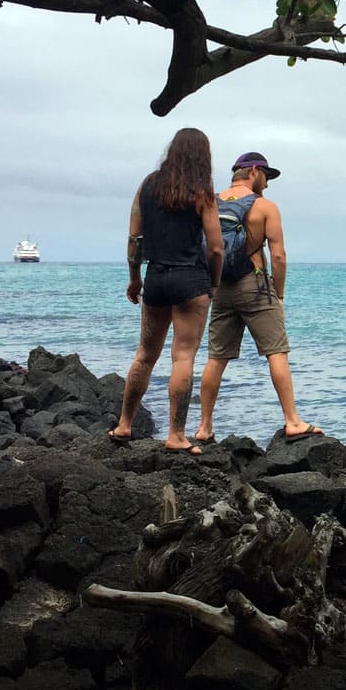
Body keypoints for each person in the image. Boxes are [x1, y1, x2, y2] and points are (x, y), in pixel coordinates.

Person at [192, 152, 323, 446]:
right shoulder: (265, 207)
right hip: (255, 284)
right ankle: (292, 421)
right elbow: (278, 255)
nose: (268, 183)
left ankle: (203, 427)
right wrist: (279, 295)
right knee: (276, 352)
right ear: (253, 172)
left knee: (216, 358)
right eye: (267, 176)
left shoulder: (210, 202)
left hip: (221, 285)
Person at [108, 128, 224, 455]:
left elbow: (134, 240)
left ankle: (124, 425)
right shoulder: (203, 193)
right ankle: (176, 435)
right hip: (191, 281)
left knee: (145, 355)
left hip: (156, 276)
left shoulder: (147, 186)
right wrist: (214, 284)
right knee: (183, 357)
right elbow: (215, 249)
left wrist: (135, 278)